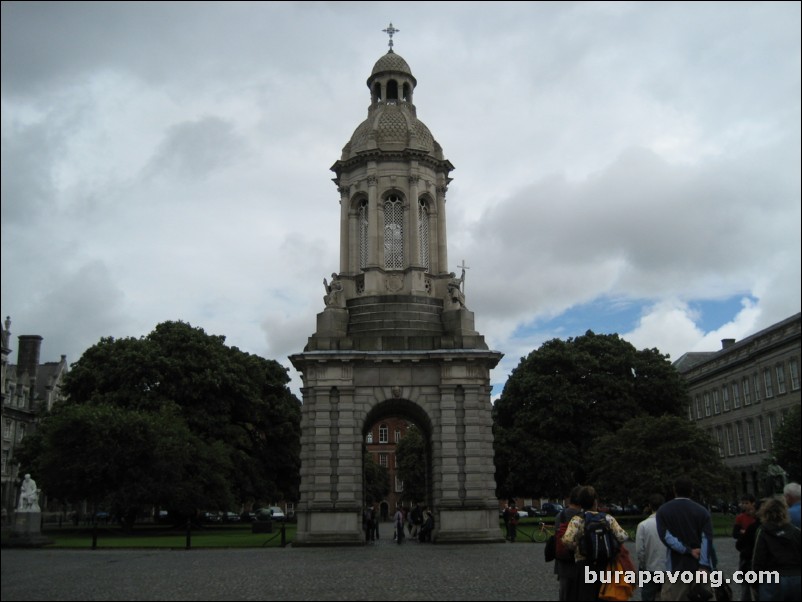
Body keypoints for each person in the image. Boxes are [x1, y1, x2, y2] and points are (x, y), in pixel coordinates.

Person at [561, 485, 628, 601]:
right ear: (595, 502)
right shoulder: (607, 518)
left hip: (584, 565)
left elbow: (566, 540)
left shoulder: (577, 520)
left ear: (580, 503)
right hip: (605, 565)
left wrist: (576, 546)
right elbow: (623, 536)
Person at [655, 476, 715, 601]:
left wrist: (687, 550)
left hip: (676, 566)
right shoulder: (702, 511)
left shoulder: (663, 511)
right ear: (691, 491)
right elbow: (706, 539)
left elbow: (666, 537)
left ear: (674, 490)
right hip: (699, 566)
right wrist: (703, 565)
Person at [752, 497, 801, 601]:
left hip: (772, 578)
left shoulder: (763, 532)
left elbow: (758, 559)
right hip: (796, 577)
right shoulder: (795, 531)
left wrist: (755, 581)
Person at [554, 485, 583, 601]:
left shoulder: (559, 516)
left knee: (565, 595)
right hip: (579, 563)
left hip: (563, 563)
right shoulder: (582, 517)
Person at [636, 494, 666, 602]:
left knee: (648, 597)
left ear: (650, 506)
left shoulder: (643, 525)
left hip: (649, 568)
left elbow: (640, 551)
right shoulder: (670, 524)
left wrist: (644, 564)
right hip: (667, 568)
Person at [733, 494, 758, 601]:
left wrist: (745, 532)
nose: (744, 505)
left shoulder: (757, 517)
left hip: (756, 549)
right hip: (745, 550)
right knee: (745, 580)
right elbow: (735, 533)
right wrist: (743, 534)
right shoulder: (740, 517)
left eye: (747, 503)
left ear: (753, 503)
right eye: (743, 503)